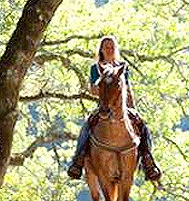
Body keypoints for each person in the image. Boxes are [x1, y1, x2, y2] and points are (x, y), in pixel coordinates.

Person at [67, 36, 161, 181]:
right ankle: (78, 160)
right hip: (104, 106)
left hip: (122, 107)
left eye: (112, 47)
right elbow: (92, 89)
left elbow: (128, 89)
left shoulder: (122, 66)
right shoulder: (95, 68)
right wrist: (108, 89)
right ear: (101, 50)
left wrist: (132, 108)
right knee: (87, 126)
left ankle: (148, 160)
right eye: (106, 47)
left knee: (142, 126)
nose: (109, 50)